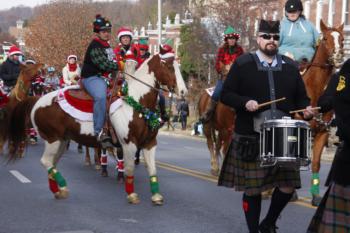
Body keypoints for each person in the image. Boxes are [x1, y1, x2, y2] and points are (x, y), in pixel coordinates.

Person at [218, 19, 314, 233]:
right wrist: (244, 102)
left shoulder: (290, 67)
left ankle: (268, 223)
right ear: (258, 38)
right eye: (267, 37)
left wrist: (306, 110)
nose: (271, 41)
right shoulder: (243, 64)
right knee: (253, 190)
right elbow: (226, 94)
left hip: (283, 136)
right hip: (252, 136)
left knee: (288, 186)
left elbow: (301, 98)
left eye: (276, 37)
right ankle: (253, 230)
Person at [307, 58, 350, 233]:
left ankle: (314, 188)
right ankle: (211, 111)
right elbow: (330, 97)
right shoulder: (344, 75)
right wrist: (318, 107)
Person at [81, 14, 118, 145]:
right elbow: (104, 65)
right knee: (101, 97)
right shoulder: (95, 45)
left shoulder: (107, 46)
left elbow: (113, 61)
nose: (107, 34)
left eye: (108, 31)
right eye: (104, 31)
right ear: (98, 32)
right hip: (92, 77)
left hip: (105, 77)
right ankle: (99, 131)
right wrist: (120, 65)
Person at [200, 26, 244, 122]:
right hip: (224, 77)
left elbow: (243, 63)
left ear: (235, 39)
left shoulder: (240, 50)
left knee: (245, 92)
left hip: (237, 78)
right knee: (216, 93)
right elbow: (217, 65)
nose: (231, 40)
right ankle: (208, 112)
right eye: (229, 38)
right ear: (226, 40)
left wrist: (235, 68)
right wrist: (223, 70)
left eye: (233, 38)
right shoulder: (222, 50)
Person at [279, 0, 319, 66]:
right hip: (287, 62)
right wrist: (284, 54)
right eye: (289, 11)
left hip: (310, 63)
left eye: (294, 11)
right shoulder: (281, 26)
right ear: (286, 12)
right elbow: (274, 46)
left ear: (300, 11)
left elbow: (318, 42)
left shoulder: (309, 25)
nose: (292, 14)